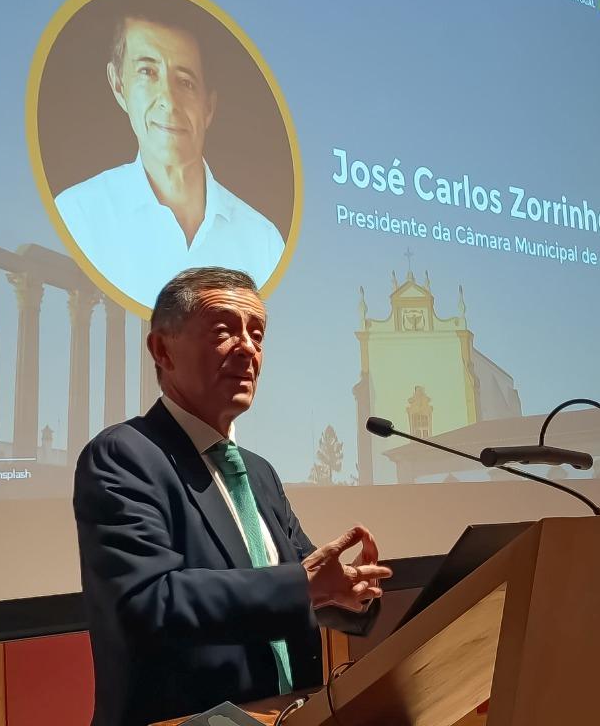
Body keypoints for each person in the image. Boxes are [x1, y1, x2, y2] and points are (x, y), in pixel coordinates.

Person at [74, 267, 391, 726]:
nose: (247, 348)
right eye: (223, 331)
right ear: (162, 350)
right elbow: (147, 601)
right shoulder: (125, 455)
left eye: (257, 335)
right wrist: (302, 585)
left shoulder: (259, 473)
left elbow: (303, 582)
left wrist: (348, 593)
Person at [55, 4, 285, 307]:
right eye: (148, 72)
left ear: (208, 107)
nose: (169, 100)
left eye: (185, 82)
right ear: (118, 85)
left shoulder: (263, 242)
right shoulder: (77, 215)